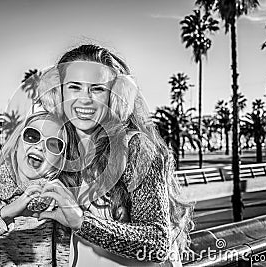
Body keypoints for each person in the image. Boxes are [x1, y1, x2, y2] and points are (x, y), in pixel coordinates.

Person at [35, 44, 194, 266]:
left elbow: (157, 241)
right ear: (57, 93)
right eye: (74, 87)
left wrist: (82, 222)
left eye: (97, 89)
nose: (85, 99)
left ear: (117, 97)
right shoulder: (56, 149)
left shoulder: (136, 147)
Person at [0, 111, 77, 267]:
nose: (40, 147)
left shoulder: (63, 195)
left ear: (61, 159)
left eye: (54, 144)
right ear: (17, 142)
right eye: (32, 136)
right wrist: (9, 212)